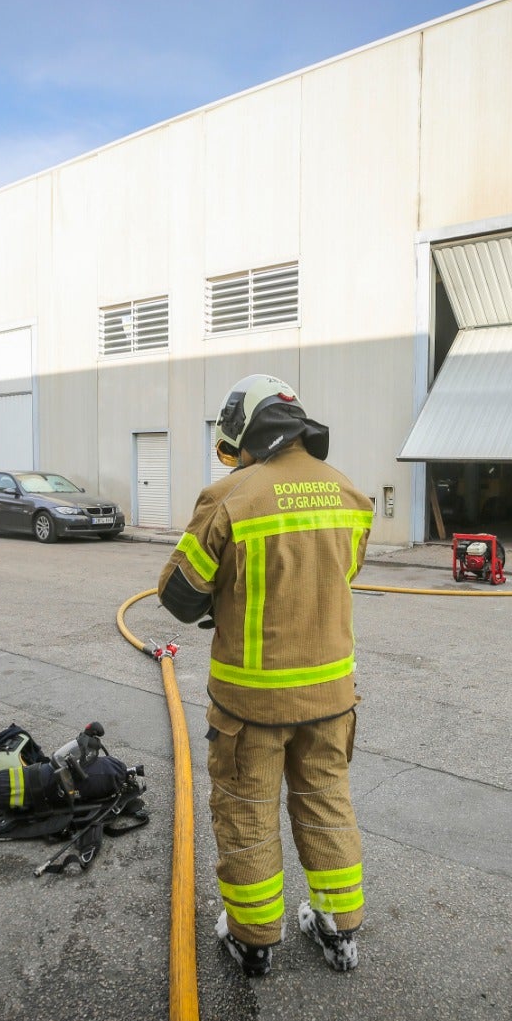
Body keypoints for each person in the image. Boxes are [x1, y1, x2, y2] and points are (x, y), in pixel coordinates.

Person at [157, 374, 374, 977]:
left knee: (247, 812)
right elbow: (339, 575)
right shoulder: (348, 494)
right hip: (332, 697)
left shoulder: (230, 495)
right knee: (326, 801)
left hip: (251, 705)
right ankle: (338, 926)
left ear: (247, 432)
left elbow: (179, 596)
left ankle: (254, 938)